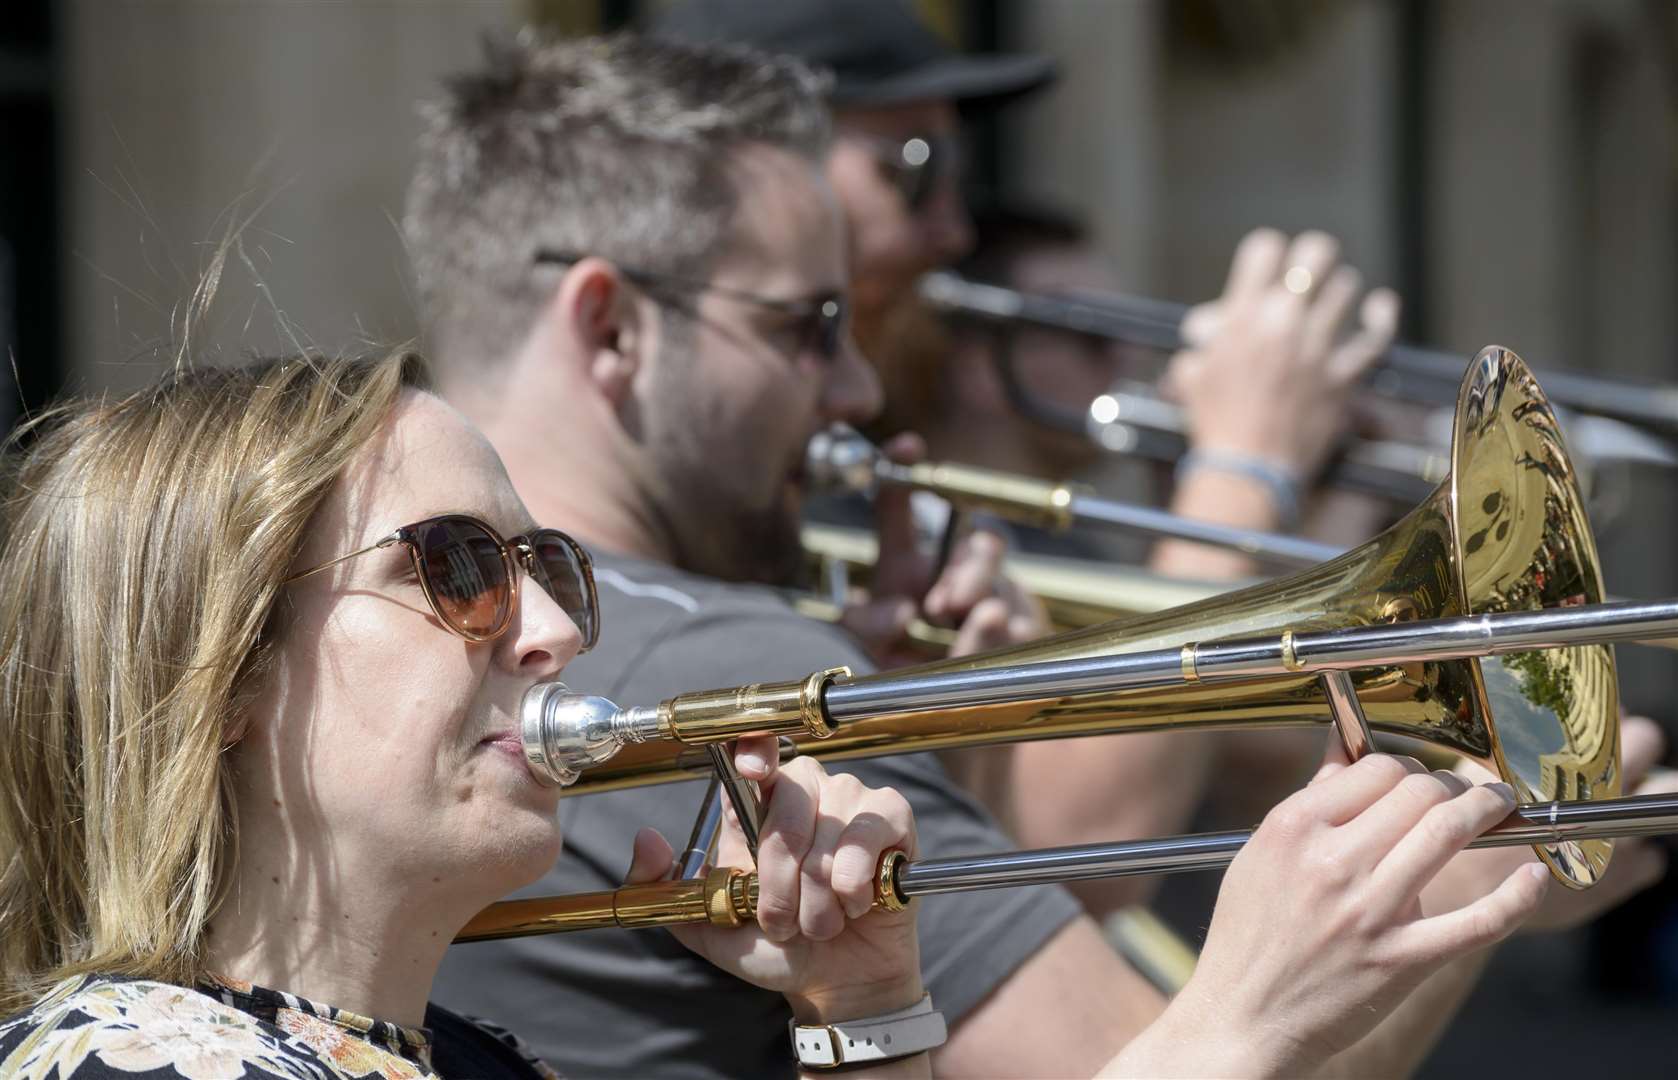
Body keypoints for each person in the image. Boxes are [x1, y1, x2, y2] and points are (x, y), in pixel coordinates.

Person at [398, 30, 1660, 1079]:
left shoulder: (422, 667)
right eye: (808, 326)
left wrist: (965, 779)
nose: (851, 383)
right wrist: (1485, 876)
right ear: (611, 328)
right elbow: (1155, 1058)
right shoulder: (718, 661)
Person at [0, 352, 922, 1077]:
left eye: (542, 565)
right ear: (224, 673)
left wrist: (862, 1004)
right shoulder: (129, 1059)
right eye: (456, 566)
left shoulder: (489, 1062)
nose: (556, 632)